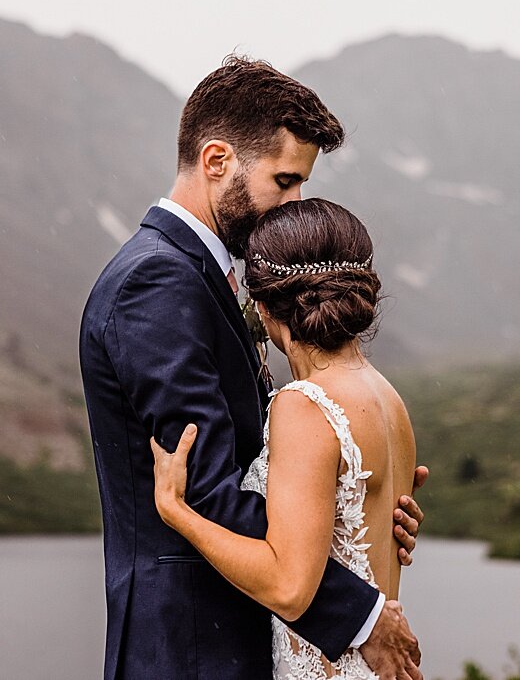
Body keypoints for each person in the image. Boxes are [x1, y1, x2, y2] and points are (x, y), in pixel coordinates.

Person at [78, 55, 427, 679]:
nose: (293, 204)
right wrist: (360, 612)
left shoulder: (199, 275)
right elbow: (209, 492)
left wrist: (358, 505)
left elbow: (258, 470)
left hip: (236, 637)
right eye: (284, 181)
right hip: (189, 649)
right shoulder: (154, 284)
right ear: (217, 162)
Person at [153, 198, 416, 679]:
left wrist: (179, 513)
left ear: (263, 304)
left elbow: (290, 589)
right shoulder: (387, 398)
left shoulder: (305, 404)